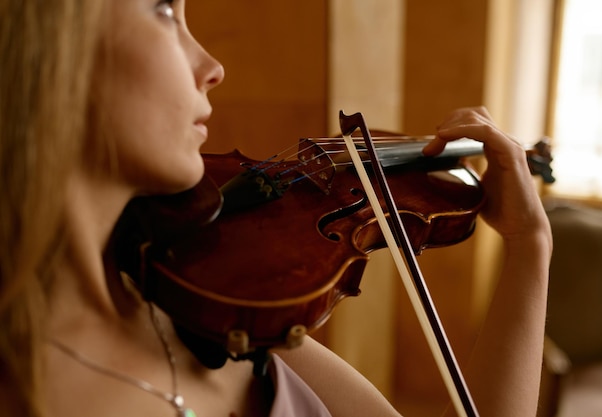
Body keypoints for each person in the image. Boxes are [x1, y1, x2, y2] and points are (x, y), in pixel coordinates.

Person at [0, 1, 552, 416]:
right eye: (166, 9)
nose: (212, 65)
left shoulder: (213, 303)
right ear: (50, 46)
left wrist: (531, 248)